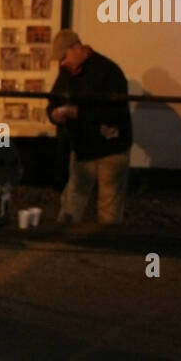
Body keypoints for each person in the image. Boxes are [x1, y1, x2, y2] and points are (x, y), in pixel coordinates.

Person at [48, 29, 132, 223]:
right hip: (84, 145)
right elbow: (54, 99)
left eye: (63, 57)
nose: (61, 63)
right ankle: (64, 237)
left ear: (76, 48)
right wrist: (54, 114)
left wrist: (78, 113)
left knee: (108, 202)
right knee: (74, 197)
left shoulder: (109, 71)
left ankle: (106, 241)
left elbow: (115, 112)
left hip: (111, 147)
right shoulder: (67, 72)